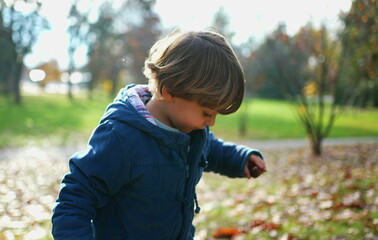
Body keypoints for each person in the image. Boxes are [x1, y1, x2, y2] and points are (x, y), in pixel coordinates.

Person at [51, 29, 267, 240]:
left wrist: (241, 158)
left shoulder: (192, 132)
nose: (211, 122)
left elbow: (211, 149)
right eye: (206, 113)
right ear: (169, 91)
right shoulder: (122, 137)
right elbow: (75, 198)